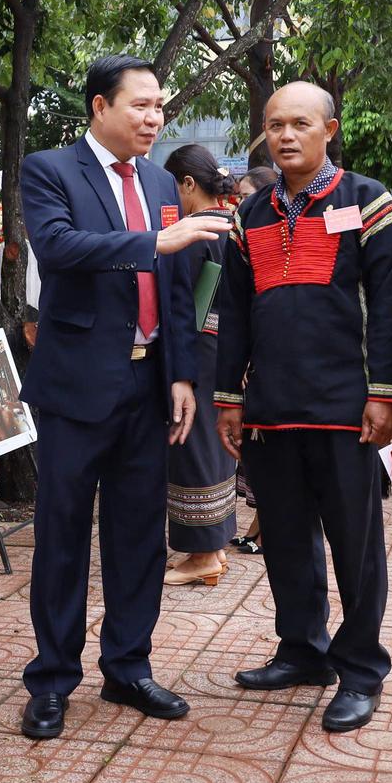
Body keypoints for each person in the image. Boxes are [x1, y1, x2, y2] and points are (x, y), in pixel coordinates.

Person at [16, 54, 228, 742]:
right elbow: (58, 247)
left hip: (147, 384)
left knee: (138, 534)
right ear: (100, 106)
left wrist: (181, 374)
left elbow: (175, 286)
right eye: (140, 104)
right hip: (77, 386)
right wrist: (157, 239)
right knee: (63, 535)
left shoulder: (162, 180)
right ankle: (52, 679)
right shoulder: (51, 169)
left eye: (159, 106)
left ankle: (128, 666)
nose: (154, 117)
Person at [215, 81, 392, 733]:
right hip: (271, 408)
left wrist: (384, 393)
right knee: (287, 538)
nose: (286, 135)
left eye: (300, 123)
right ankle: (302, 651)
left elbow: (388, 305)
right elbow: (234, 310)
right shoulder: (251, 213)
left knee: (356, 546)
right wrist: (229, 398)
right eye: (275, 125)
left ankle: (361, 670)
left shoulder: (367, 201)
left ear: (330, 129)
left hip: (344, 409)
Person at [161, 144, 239, 586]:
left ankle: (204, 553)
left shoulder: (193, 232)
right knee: (214, 443)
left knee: (190, 443)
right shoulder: (232, 224)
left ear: (188, 184)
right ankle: (214, 545)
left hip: (196, 350)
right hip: (225, 349)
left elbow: (180, 301)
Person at [226, 169, 277, 555]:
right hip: (256, 373)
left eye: (243, 196)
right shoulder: (240, 233)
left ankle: (264, 531)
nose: (237, 204)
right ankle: (262, 530)